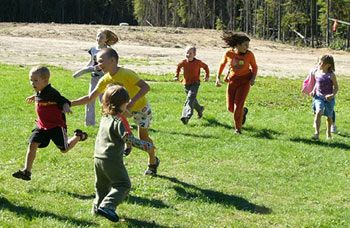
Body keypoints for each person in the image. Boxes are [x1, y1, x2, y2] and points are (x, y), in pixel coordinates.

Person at [71, 48, 160, 176]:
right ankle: (127, 144)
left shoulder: (127, 74)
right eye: (97, 62)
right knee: (118, 132)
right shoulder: (105, 79)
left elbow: (146, 87)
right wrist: (69, 103)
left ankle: (153, 161)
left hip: (141, 108)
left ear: (113, 61)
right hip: (122, 110)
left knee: (143, 137)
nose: (98, 64)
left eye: (101, 61)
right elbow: (90, 98)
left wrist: (132, 102)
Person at [12, 66, 88, 181]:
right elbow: (41, 96)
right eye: (31, 80)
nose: (32, 83)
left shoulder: (52, 92)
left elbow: (62, 100)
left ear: (45, 81)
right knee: (32, 144)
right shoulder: (40, 91)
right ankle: (26, 171)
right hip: (41, 126)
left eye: (35, 80)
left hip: (56, 126)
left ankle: (78, 135)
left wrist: (66, 106)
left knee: (64, 149)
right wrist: (34, 96)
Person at [93, 85, 153, 222]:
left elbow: (113, 136)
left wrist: (127, 147)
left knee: (101, 187)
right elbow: (129, 138)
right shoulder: (121, 120)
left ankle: (97, 209)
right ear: (123, 103)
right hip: (112, 159)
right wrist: (147, 146)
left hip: (97, 157)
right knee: (123, 184)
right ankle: (108, 206)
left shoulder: (105, 117)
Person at [72, 28, 119, 126]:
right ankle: (89, 123)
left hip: (105, 79)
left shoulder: (108, 50)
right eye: (98, 36)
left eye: (102, 37)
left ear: (106, 39)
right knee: (90, 100)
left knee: (105, 101)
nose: (99, 38)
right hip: (94, 78)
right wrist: (85, 69)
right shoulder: (93, 49)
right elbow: (91, 62)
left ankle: (109, 120)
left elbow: (111, 64)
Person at [215, 31, 257, 134]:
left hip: (245, 81)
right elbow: (222, 64)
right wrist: (218, 78)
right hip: (232, 81)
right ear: (237, 45)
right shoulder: (229, 53)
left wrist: (253, 78)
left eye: (248, 45)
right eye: (245, 45)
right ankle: (243, 112)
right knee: (230, 108)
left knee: (237, 106)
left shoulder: (249, 55)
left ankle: (238, 129)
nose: (247, 47)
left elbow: (255, 67)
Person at [174, 46, 209, 124]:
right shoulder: (183, 62)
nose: (188, 54)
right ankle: (200, 109)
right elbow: (178, 67)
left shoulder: (198, 62)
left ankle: (186, 116)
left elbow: (206, 67)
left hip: (195, 83)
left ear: (194, 54)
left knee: (189, 98)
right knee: (192, 100)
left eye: (190, 53)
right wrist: (176, 75)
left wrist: (207, 76)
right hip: (186, 84)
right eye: (187, 53)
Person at [311, 54, 338, 140]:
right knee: (319, 111)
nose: (319, 63)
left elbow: (336, 87)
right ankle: (316, 133)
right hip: (319, 97)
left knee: (329, 117)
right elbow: (317, 83)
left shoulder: (331, 75)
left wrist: (332, 95)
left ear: (328, 65)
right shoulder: (317, 73)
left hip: (329, 99)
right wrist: (313, 90)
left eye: (322, 62)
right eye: (319, 61)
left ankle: (328, 133)